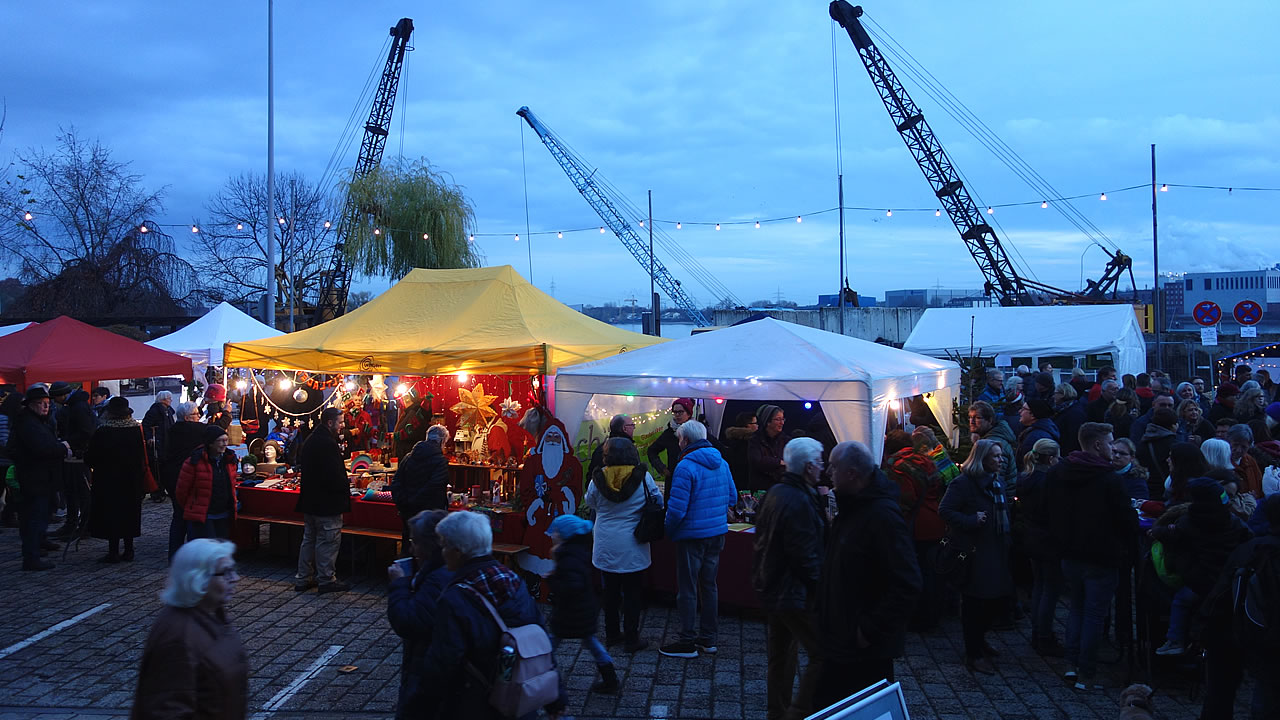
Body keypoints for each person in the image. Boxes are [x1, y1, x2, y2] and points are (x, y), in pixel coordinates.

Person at [419, 510, 566, 720]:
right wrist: (557, 699)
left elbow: (444, 660)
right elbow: (540, 640)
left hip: (475, 702)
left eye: (445, 546)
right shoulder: (513, 580)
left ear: (459, 551)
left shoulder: (455, 597)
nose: (442, 552)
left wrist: (422, 703)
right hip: (518, 696)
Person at [813, 440, 921, 705]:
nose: (828, 472)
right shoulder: (852, 507)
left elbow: (907, 583)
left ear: (852, 473)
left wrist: (869, 629)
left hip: (862, 648)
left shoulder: (882, 516)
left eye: (834, 466)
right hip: (840, 637)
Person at [1042, 422, 1137, 691]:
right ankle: (1087, 671)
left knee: (1077, 609)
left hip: (1069, 553)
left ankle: (1072, 664)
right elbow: (1126, 520)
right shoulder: (1109, 479)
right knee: (1094, 614)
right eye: (1110, 442)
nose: (1113, 447)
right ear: (1097, 445)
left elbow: (1045, 509)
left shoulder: (1059, 472)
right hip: (1101, 556)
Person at [752, 437, 828, 720]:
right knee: (822, 652)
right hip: (792, 591)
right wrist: (821, 589)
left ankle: (778, 711)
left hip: (774, 587)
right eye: (819, 462)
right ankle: (796, 713)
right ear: (808, 467)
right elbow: (805, 555)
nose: (822, 467)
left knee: (781, 655)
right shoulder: (797, 499)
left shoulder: (778, 492)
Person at [132, 538, 247, 720]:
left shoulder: (213, 615)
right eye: (225, 573)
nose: (235, 579)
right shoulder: (178, 638)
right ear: (198, 578)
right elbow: (167, 709)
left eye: (233, 570)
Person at [1197, 494, 1280, 719]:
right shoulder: (1254, 549)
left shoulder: (1250, 548)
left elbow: (1221, 592)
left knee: (1224, 692)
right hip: (1261, 634)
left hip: (1240, 630)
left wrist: (1206, 625)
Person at [660, 419, 737, 658]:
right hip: (716, 532)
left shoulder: (685, 466)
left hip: (692, 535)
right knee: (709, 585)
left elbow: (676, 509)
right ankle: (709, 639)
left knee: (688, 589)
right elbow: (732, 498)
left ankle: (687, 640)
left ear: (685, 440)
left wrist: (669, 531)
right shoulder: (721, 463)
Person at [1151, 477, 1252, 657]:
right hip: (1228, 582)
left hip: (1200, 580)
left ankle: (1175, 640)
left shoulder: (1190, 522)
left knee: (1180, 601)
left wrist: (1156, 532)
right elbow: (1249, 537)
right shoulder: (1232, 521)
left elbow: (1170, 535)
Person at [939, 439, 1014, 675]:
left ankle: (980, 640)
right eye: (995, 456)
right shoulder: (963, 484)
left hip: (996, 550)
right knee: (974, 604)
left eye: (1001, 456)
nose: (1000, 461)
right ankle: (974, 652)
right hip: (974, 552)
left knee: (993, 601)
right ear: (982, 459)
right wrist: (971, 520)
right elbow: (946, 510)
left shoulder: (996, 483)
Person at [584, 437, 662, 652]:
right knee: (632, 592)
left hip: (606, 540)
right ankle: (631, 637)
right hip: (633, 541)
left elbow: (590, 502)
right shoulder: (643, 477)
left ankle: (611, 635)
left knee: (609, 592)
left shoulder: (597, 478)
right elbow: (657, 500)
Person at [387, 510, 455, 720]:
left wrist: (400, 584)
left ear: (428, 545)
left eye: (414, 542)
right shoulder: (441, 571)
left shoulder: (437, 578)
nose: (410, 548)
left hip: (430, 670)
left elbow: (410, 621)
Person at [546, 513, 618, 695]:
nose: (552, 535)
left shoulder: (567, 557)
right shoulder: (576, 552)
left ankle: (540, 672)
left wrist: (553, 581)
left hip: (571, 613)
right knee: (592, 643)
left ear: (564, 535)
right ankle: (610, 676)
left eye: (555, 531)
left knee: (551, 644)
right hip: (583, 610)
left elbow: (572, 585)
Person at [892, 426, 953, 632]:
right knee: (933, 573)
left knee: (917, 573)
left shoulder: (900, 467)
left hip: (916, 526)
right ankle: (933, 616)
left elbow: (905, 500)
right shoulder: (928, 461)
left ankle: (920, 618)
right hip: (935, 521)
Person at [7, 386, 71, 571]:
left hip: (40, 476)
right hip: (35, 477)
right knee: (34, 517)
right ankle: (32, 555)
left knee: (36, 516)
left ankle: (35, 549)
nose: (46, 407)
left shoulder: (34, 422)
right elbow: (41, 448)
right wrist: (62, 448)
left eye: (47, 403)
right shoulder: (28, 424)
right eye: (42, 404)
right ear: (31, 405)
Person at [84, 397, 148, 563]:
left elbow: (91, 457)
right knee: (129, 513)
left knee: (112, 514)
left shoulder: (103, 431)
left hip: (108, 479)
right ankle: (129, 549)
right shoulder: (135, 429)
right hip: (131, 479)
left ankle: (113, 551)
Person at [294, 407, 350, 593]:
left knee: (309, 539)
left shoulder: (312, 440)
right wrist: (344, 487)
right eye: (340, 422)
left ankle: (303, 578)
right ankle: (326, 579)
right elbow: (333, 474)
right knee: (327, 540)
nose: (342, 426)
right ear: (330, 422)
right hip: (326, 503)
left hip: (311, 501)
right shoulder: (326, 443)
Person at [1019, 438, 1064, 656]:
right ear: (1051, 458)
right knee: (1050, 589)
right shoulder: (1048, 482)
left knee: (1039, 586)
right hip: (1047, 540)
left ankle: (1038, 630)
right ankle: (1044, 634)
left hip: (1031, 537)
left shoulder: (1026, 478)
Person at [390, 424, 450, 554]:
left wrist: (404, 502)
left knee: (408, 546)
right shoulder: (440, 461)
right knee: (430, 550)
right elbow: (434, 486)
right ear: (441, 441)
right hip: (430, 514)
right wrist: (413, 502)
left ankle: (406, 572)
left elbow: (395, 482)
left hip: (408, 512)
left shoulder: (408, 457)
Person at [176, 425, 238, 540]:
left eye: (226, 440)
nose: (225, 444)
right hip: (204, 515)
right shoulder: (193, 462)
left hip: (223, 513)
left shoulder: (230, 460)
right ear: (210, 443)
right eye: (220, 441)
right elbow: (182, 491)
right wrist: (194, 506)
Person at [162, 402, 206, 560]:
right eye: (196, 414)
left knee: (178, 515)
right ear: (187, 418)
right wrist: (227, 414)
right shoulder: (197, 429)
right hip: (189, 477)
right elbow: (216, 432)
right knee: (191, 516)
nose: (199, 416)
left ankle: (174, 553)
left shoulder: (172, 430)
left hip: (172, 476)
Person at [51, 386, 96, 540]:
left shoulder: (78, 407)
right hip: (74, 454)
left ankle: (84, 526)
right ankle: (73, 524)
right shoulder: (76, 405)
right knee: (72, 491)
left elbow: (86, 431)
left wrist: (67, 442)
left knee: (81, 492)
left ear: (61, 396)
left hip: (78, 455)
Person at [966, 401, 1018, 493]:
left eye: (977, 418)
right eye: (970, 417)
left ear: (989, 420)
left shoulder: (995, 444)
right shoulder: (985, 439)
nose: (972, 422)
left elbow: (997, 478)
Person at [647, 398, 693, 485]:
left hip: (693, 478)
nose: (677, 415)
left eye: (681, 412)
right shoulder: (669, 433)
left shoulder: (697, 431)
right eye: (675, 412)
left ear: (689, 413)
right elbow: (652, 450)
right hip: (674, 479)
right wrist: (661, 468)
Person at [142, 390, 176, 503]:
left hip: (167, 442)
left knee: (165, 467)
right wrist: (149, 438)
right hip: (159, 442)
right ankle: (157, 490)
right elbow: (146, 425)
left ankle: (164, 488)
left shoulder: (169, 411)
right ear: (163, 400)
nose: (171, 400)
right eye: (169, 398)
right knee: (158, 468)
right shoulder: (154, 411)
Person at [748, 404, 789, 492]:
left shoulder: (786, 440)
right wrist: (779, 462)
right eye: (778, 419)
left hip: (780, 488)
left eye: (783, 419)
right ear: (767, 421)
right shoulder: (755, 440)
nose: (782, 423)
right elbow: (757, 461)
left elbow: (790, 463)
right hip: (761, 490)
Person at [1136, 407, 1178, 492]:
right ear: (1173, 425)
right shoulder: (1173, 444)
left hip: (1148, 487)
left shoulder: (1144, 441)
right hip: (1166, 487)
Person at [585, 413, 634, 481]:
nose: (634, 428)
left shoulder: (601, 449)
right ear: (624, 428)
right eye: (632, 425)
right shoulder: (629, 449)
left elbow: (591, 476)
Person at [1226, 424, 1264, 499]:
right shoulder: (1222, 461)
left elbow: (1259, 485)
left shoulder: (1250, 461)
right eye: (1235, 445)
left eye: (1243, 447)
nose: (1238, 450)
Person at [722, 411, 757, 490]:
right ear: (748, 425)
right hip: (746, 484)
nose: (757, 426)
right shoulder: (750, 442)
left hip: (734, 483)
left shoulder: (732, 440)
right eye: (755, 423)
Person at [1052, 382, 1087, 455]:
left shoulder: (1074, 412)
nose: (1053, 396)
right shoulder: (1063, 409)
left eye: (1055, 393)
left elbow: (1074, 437)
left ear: (1062, 394)